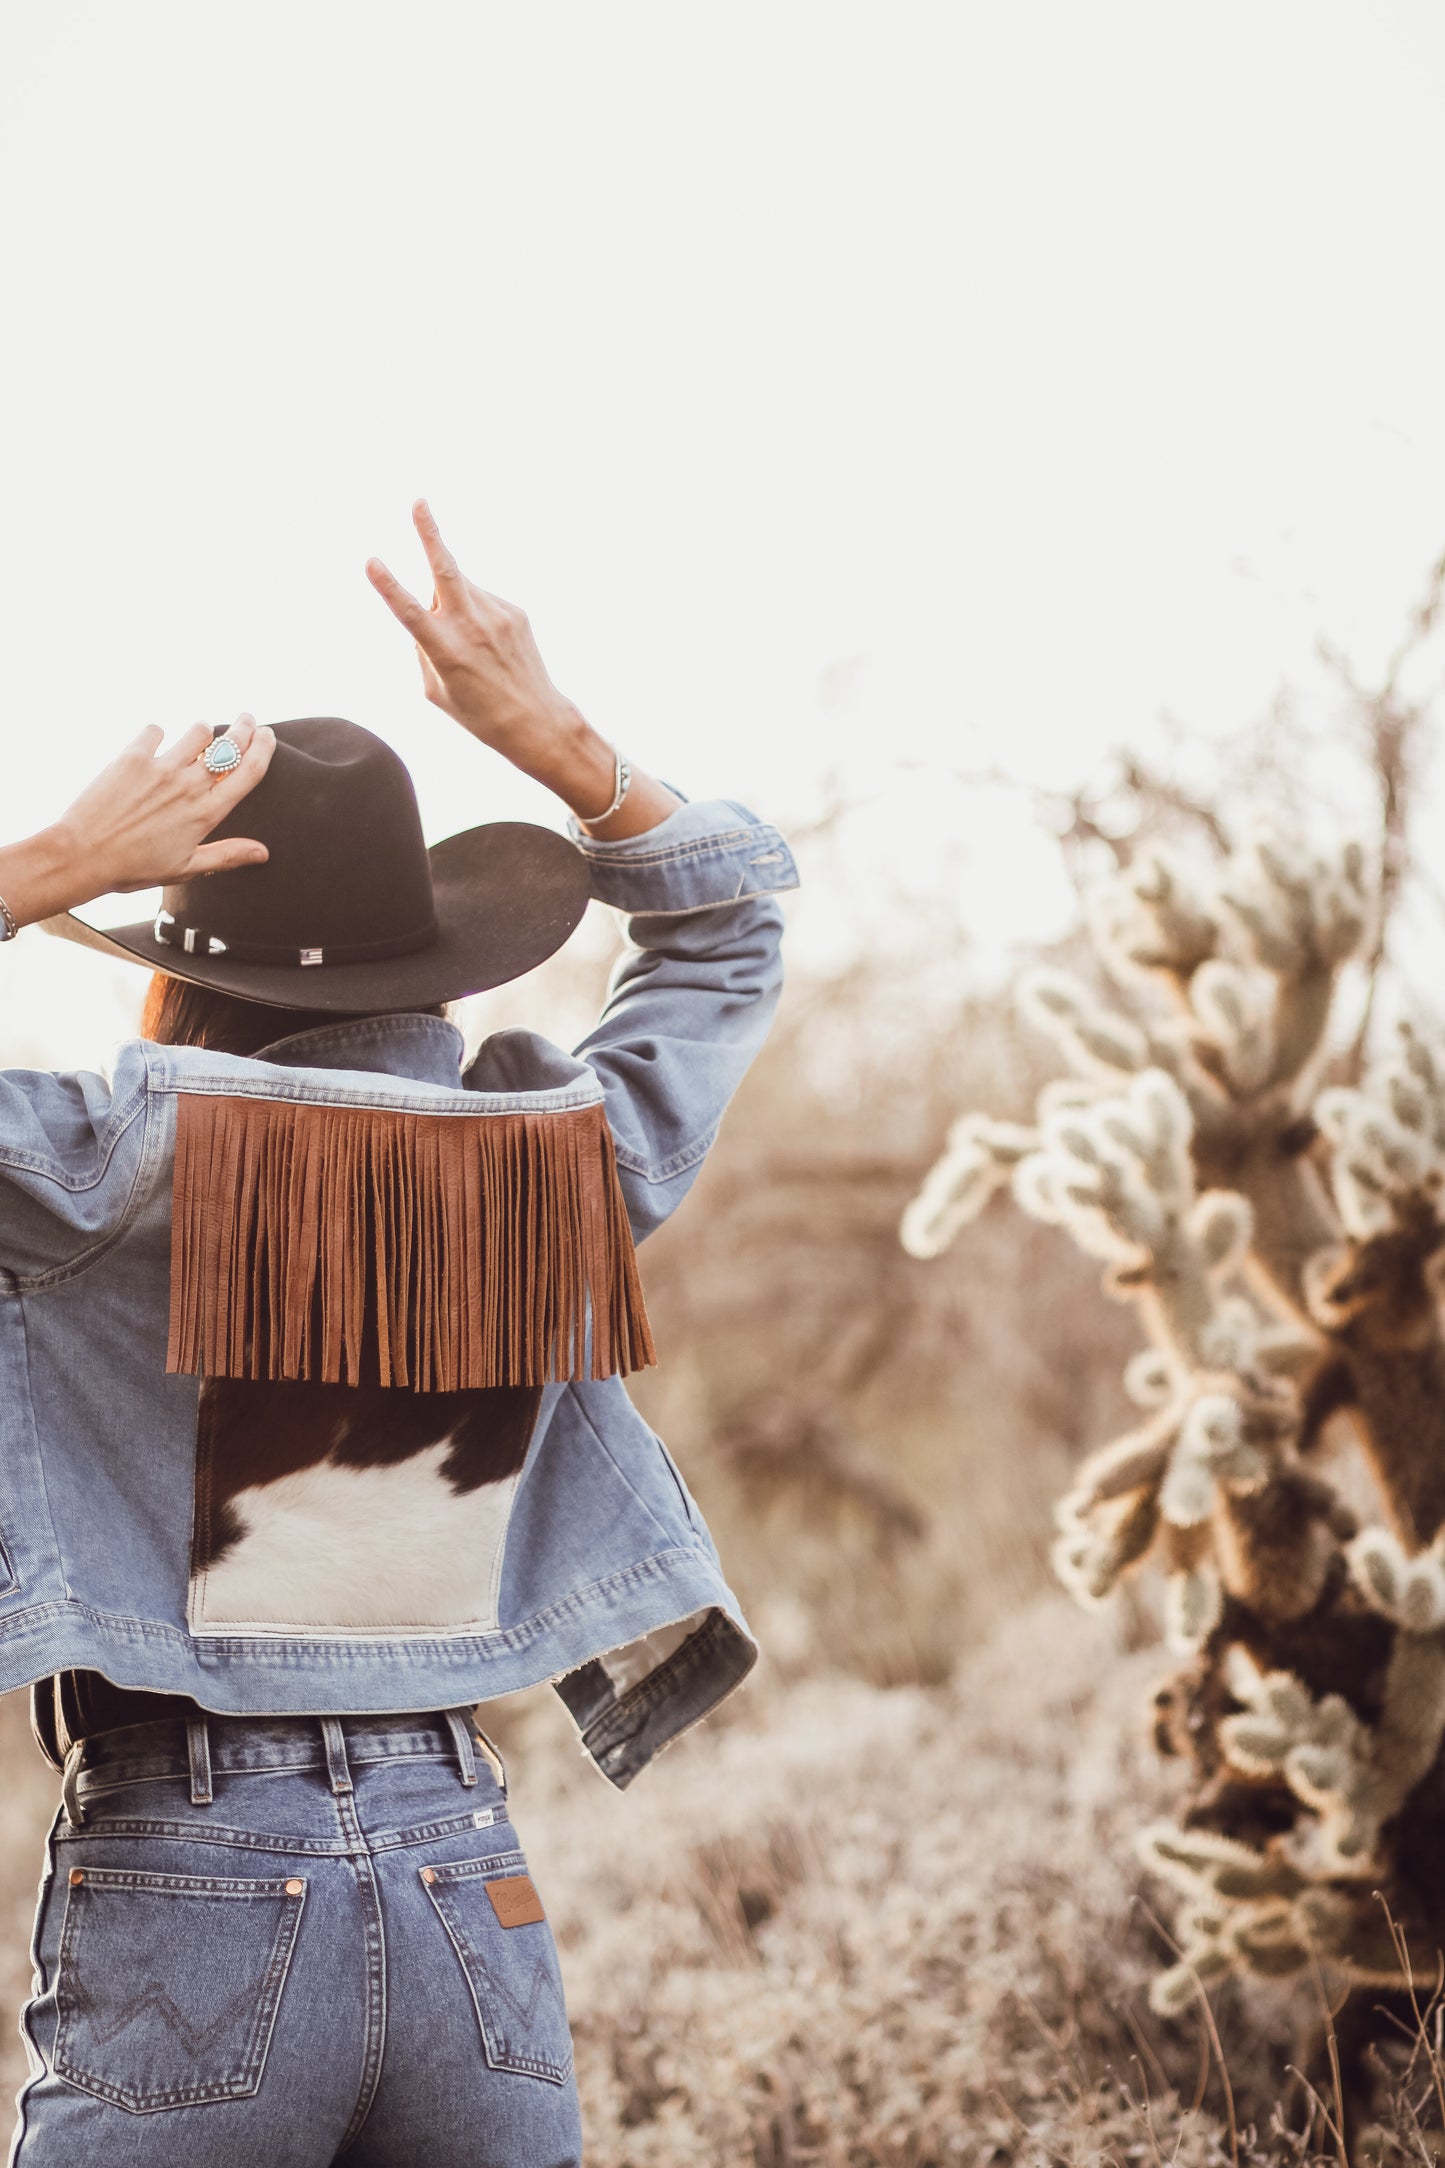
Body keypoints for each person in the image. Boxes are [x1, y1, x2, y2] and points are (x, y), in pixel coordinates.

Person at [0, 501, 798, 2165]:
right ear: (428, 954)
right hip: (463, 1865)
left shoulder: (87, 1175)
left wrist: (54, 870)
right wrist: (559, 745)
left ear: (183, 965)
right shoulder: (550, 1160)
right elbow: (725, 935)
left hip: (187, 1868)